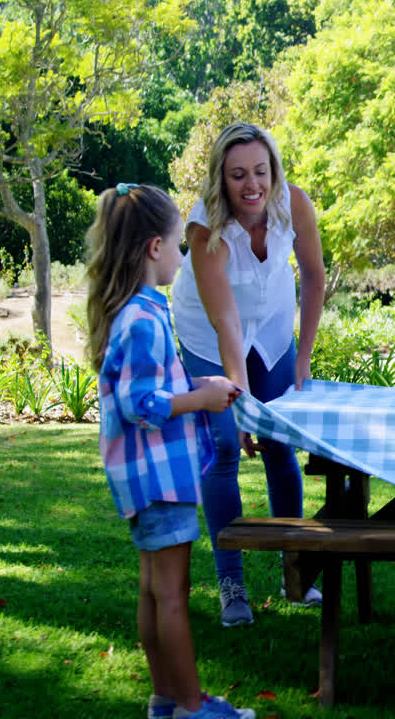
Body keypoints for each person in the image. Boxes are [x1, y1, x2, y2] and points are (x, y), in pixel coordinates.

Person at [87, 183, 255, 719]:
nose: (185, 257)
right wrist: (200, 399)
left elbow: (154, 384)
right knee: (173, 596)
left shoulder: (139, 311)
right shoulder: (141, 318)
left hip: (150, 477)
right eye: (180, 245)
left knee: (154, 592)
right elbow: (141, 402)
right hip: (159, 478)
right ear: (154, 248)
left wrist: (199, 383)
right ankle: (189, 706)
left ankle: (167, 699)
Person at [171, 122, 326, 627]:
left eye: (261, 171)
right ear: (222, 179)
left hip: (274, 327)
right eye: (238, 175)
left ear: (274, 170)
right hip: (209, 335)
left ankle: (295, 573)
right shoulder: (204, 229)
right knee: (223, 447)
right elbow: (226, 323)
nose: (252, 184)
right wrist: (237, 402)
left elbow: (315, 276)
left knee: (281, 442)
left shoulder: (294, 204)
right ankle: (231, 584)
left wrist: (302, 357)